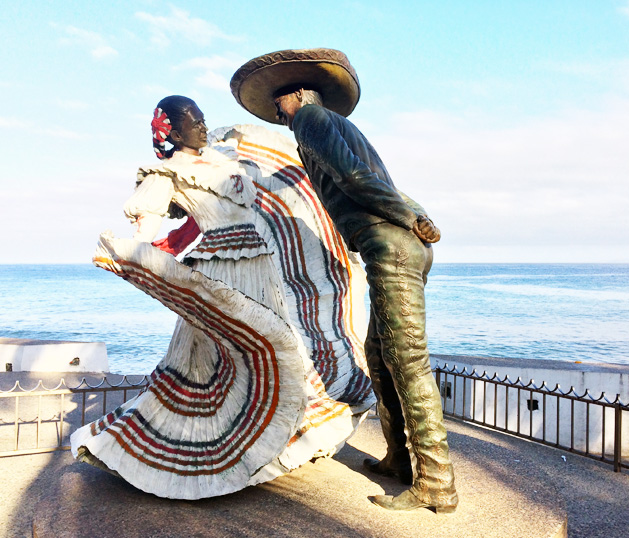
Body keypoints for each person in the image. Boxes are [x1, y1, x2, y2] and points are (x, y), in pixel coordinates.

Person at [71, 95, 371, 499]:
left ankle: (281, 442)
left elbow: (269, 186)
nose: (201, 125)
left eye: (202, 118)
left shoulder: (225, 157)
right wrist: (133, 256)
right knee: (210, 366)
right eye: (193, 122)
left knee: (287, 353)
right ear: (174, 133)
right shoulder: (165, 173)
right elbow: (149, 226)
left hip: (262, 268)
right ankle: (197, 456)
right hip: (221, 275)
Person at [231, 49, 458, 513]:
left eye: (281, 103)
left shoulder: (312, 120)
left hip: (390, 244)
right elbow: (382, 179)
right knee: (379, 354)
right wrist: (411, 214)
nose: (278, 111)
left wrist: (410, 218)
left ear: (298, 95)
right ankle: (399, 458)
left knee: (407, 360)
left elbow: (354, 177)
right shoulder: (339, 125)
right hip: (395, 244)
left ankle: (438, 483)